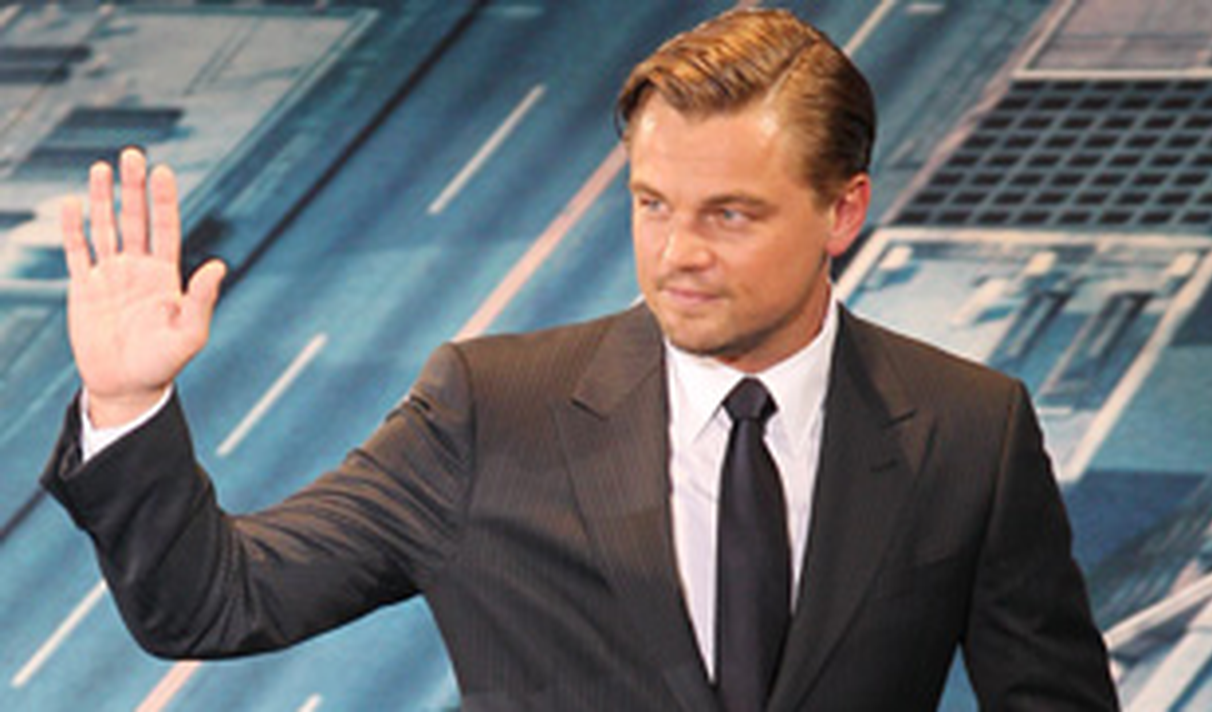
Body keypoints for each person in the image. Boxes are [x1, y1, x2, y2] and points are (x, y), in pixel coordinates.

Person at [42, 8, 1118, 711]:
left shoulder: (969, 428)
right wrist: (127, 402)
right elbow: (215, 602)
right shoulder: (489, 410)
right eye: (652, 204)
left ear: (844, 212)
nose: (677, 253)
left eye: (730, 214)